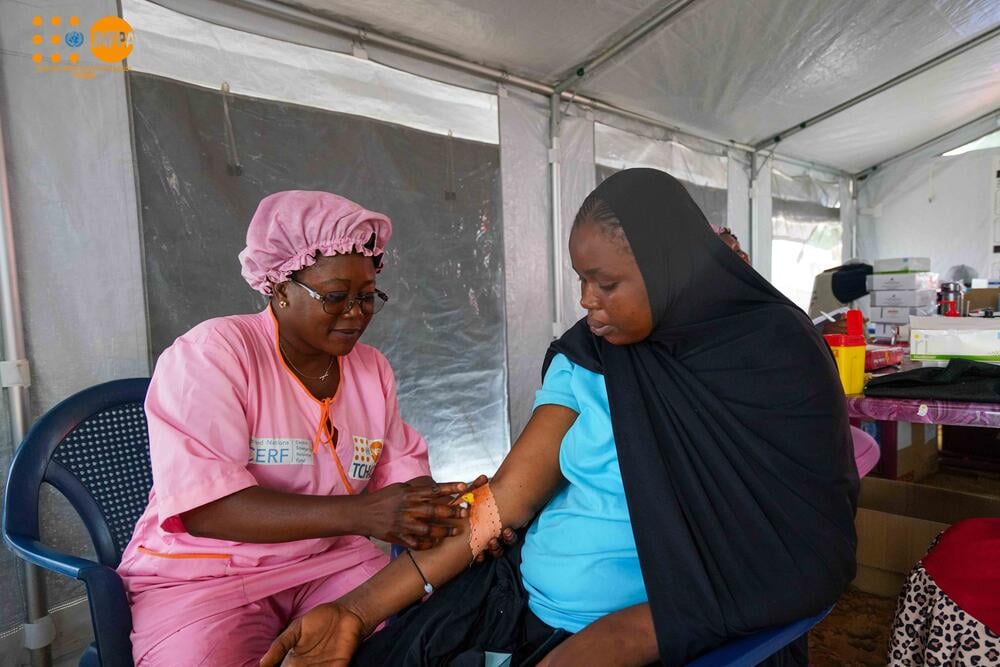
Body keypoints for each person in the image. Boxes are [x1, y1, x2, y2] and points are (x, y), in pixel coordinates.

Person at [262, 169, 858, 667]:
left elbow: (796, 559)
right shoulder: (593, 354)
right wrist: (355, 611)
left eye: (606, 282)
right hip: (516, 599)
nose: (586, 300)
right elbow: (502, 503)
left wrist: (613, 643)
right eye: (581, 280)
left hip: (646, 636)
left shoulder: (771, 359)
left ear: (675, 266)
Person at [117, 191, 472, 666]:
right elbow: (206, 509)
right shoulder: (214, 353)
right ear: (280, 287)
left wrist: (450, 510)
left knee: (419, 640)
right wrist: (363, 515)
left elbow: (405, 479)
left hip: (331, 562)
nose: (357, 312)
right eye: (336, 297)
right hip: (207, 572)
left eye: (368, 297)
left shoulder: (371, 370)